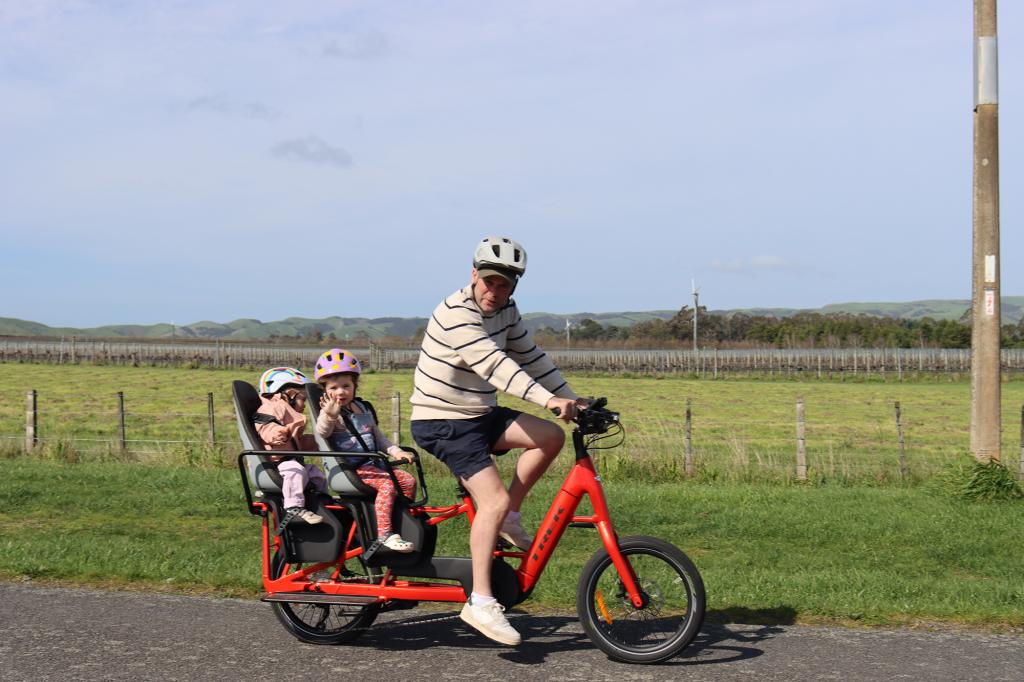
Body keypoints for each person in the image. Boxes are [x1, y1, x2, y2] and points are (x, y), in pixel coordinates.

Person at [410, 236, 588, 646]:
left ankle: (510, 517)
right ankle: (481, 601)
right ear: (474, 275)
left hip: (480, 415)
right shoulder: (456, 313)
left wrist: (571, 396)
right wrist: (548, 399)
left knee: (548, 437)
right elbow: (495, 366)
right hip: (443, 421)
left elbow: (530, 356)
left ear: (514, 288)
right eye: (489, 281)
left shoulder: (506, 310)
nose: (496, 291)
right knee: (490, 499)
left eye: (505, 285)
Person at [313, 348, 418, 553]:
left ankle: (402, 519)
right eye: (334, 387)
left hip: (373, 465)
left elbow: (378, 437)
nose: (341, 392)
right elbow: (322, 432)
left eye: (346, 386)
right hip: (353, 469)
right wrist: (330, 415)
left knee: (407, 481)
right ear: (325, 389)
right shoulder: (329, 413)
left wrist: (396, 452)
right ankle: (385, 534)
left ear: (355, 386)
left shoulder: (363, 408)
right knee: (388, 486)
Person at [254, 366, 327, 526]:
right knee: (296, 470)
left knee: (317, 475)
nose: (305, 405)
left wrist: (318, 441)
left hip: (289, 461)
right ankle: (294, 508)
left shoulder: (288, 413)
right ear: (290, 395)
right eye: (303, 399)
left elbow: (297, 442)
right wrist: (279, 432)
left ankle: (323, 503)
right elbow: (265, 428)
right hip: (276, 463)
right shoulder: (271, 407)